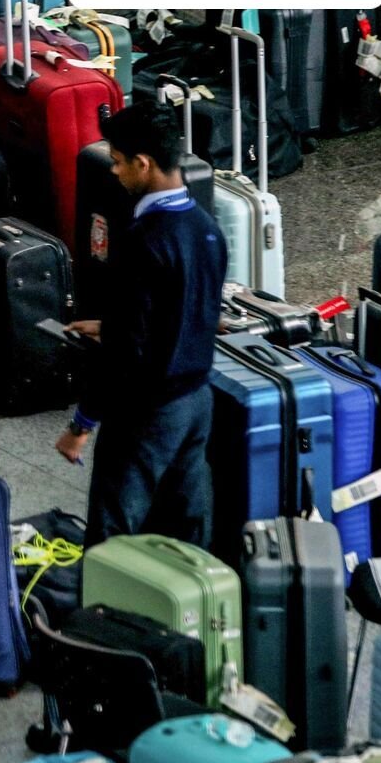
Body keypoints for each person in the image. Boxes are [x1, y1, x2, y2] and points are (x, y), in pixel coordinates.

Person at [54, 101, 227, 548]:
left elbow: (124, 354)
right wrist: (113, 322)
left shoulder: (143, 239)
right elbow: (190, 312)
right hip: (197, 399)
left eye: (118, 161)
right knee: (188, 526)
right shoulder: (207, 227)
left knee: (112, 530)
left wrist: (81, 424)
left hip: (147, 410)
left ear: (143, 163)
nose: (114, 171)